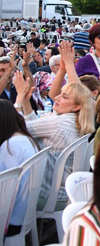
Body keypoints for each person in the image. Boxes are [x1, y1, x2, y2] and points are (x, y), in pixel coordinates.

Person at [14, 69, 95, 208]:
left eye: (64, 97)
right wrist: (27, 102)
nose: (56, 98)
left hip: (47, 196)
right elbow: (35, 127)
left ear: (76, 107)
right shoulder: (76, 121)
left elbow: (16, 129)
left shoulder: (58, 123)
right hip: (66, 192)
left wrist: (19, 98)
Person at [0, 99, 39, 238]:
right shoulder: (24, 138)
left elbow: (5, 188)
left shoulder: (11, 147)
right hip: (25, 212)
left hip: (12, 219)